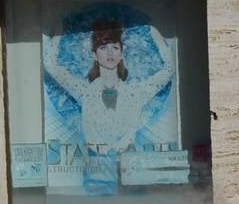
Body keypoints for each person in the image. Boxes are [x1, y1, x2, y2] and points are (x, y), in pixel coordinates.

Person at [43, 20, 175, 156]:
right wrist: (58, 31)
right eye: (103, 48)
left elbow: (171, 68)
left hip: (130, 167)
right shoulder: (84, 91)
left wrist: (155, 31)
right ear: (94, 55)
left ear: (122, 53)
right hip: (93, 168)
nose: (110, 53)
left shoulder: (135, 93)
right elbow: (50, 65)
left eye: (115, 47)